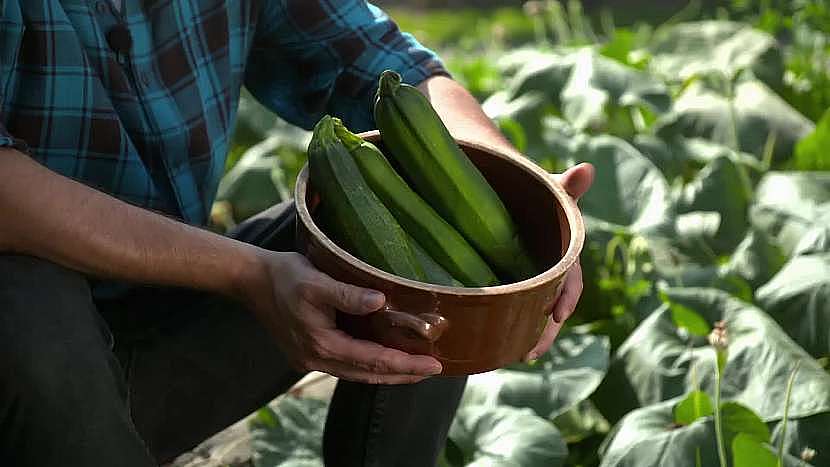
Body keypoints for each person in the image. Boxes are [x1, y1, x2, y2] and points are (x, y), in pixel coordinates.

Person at [0, 1, 594, 466]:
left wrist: (527, 202)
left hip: (156, 352)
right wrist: (246, 272)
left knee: (428, 273)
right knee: (24, 299)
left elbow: (382, 60)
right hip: (25, 372)